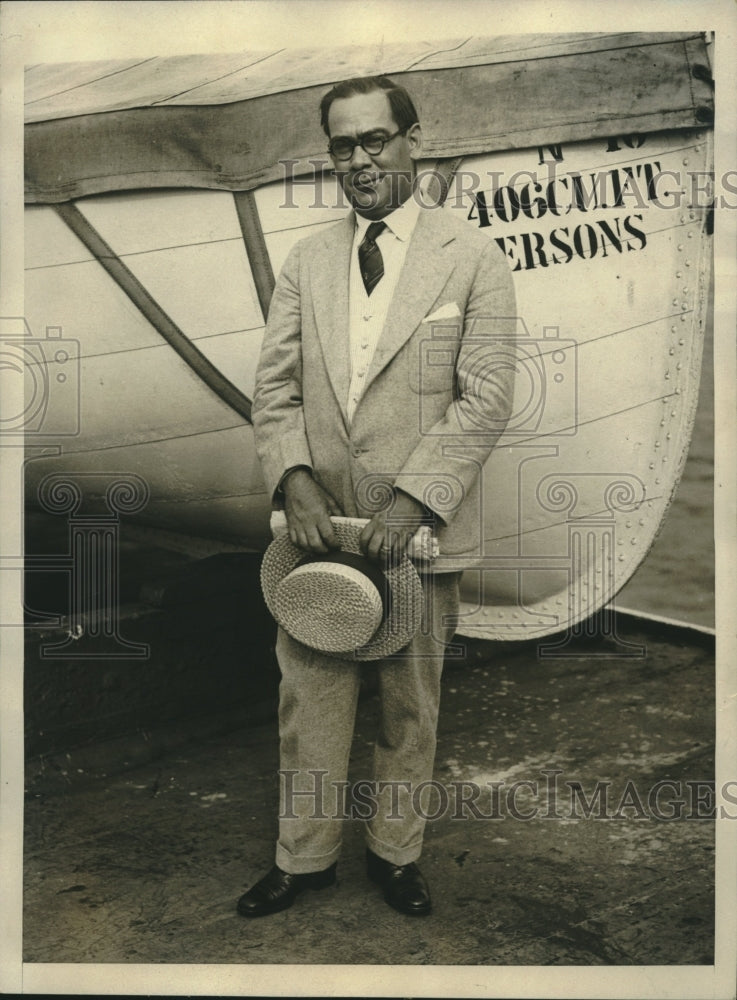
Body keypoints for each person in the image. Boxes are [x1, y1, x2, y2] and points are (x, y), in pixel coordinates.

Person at [240, 75, 516, 918]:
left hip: (417, 533)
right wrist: (295, 481)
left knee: (409, 703)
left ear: (411, 140)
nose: (358, 161)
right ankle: (305, 857)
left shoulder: (471, 257)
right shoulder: (307, 260)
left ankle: (395, 854)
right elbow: (275, 391)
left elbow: (487, 394)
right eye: (340, 146)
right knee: (310, 698)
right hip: (320, 536)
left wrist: (413, 502)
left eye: (373, 141)